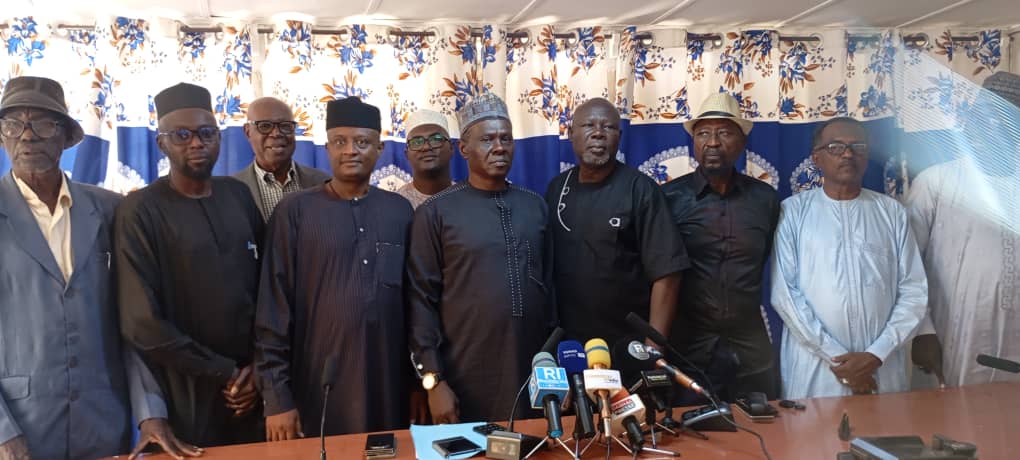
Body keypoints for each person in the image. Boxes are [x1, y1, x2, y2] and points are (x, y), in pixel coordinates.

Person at [0, 76, 197, 459]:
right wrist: (3, 432)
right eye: (13, 124)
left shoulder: (110, 209)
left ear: (65, 136)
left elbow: (133, 320)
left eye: (43, 124)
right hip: (21, 428)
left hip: (105, 423)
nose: (27, 136)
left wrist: (150, 411)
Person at [255, 97, 413, 440]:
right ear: (327, 148)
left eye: (362, 142)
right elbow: (273, 309)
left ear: (380, 149)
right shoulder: (295, 211)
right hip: (318, 387)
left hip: (389, 385)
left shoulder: (400, 211)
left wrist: (421, 383)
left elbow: (414, 305)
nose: (350, 150)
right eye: (340, 142)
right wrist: (277, 397)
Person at [116, 83, 264, 446]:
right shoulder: (140, 210)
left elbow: (268, 287)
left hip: (254, 388)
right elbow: (141, 322)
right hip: (185, 391)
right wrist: (224, 371)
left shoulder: (238, 195)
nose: (196, 143)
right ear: (161, 143)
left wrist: (259, 366)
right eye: (182, 135)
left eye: (206, 133)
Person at [407, 93, 555, 423]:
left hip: (531, 373)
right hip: (463, 376)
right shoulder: (435, 213)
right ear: (463, 149)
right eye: (487, 140)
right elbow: (420, 302)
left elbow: (550, 294)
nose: (499, 147)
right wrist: (433, 381)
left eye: (506, 139)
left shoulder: (535, 206)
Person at [770, 117, 927, 399]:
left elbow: (914, 291)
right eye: (836, 147)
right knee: (813, 428)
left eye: (857, 147)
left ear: (867, 156)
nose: (847, 154)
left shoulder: (891, 213)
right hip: (817, 367)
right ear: (816, 158)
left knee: (887, 427)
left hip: (882, 365)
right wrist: (838, 359)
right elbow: (785, 295)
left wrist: (875, 355)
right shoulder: (793, 212)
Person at [662, 92, 780, 400]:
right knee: (690, 427)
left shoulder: (765, 199)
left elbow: (769, 261)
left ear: (742, 142)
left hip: (751, 349)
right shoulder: (669, 199)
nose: (712, 142)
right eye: (703, 133)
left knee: (763, 425)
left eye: (724, 133)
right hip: (689, 349)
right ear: (693, 142)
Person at [906, 71, 1020, 387]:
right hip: (951, 336)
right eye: (977, 117)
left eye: (997, 119)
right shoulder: (936, 182)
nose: (982, 126)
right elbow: (907, 266)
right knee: (951, 413)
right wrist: (922, 331)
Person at [546, 97, 686, 348]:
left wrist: (654, 348)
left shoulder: (640, 189)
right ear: (571, 134)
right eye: (588, 125)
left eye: (608, 127)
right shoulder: (557, 189)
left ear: (619, 137)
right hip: (569, 344)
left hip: (628, 344)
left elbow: (667, 273)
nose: (598, 133)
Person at [233, 97, 330, 222]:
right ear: (248, 132)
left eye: (285, 126)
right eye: (265, 126)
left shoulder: (323, 183)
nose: (276, 133)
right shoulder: (232, 191)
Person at [396, 109, 455, 209]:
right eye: (416, 142)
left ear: (451, 148)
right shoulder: (396, 205)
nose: (426, 147)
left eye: (436, 139)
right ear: (407, 155)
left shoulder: (469, 201)